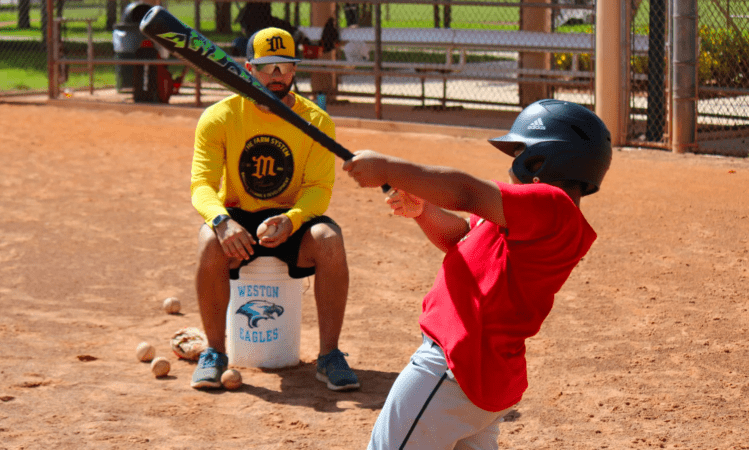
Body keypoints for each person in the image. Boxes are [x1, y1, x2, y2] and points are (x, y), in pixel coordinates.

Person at [343, 99, 612, 449]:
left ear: (540, 160)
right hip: (480, 378)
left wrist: (389, 169)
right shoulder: (527, 214)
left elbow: (466, 192)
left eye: (519, 151)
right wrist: (423, 211)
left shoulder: (553, 206)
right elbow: (462, 240)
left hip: (451, 369)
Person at [190, 27, 359, 392]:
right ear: (248, 69)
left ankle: (329, 356)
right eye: (268, 67)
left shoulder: (316, 121)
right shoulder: (220, 117)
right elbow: (201, 184)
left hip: (289, 219)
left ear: (295, 70)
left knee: (329, 238)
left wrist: (292, 218)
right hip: (238, 218)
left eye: (286, 66)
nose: (278, 75)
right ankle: (215, 353)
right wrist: (221, 222)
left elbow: (318, 189)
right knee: (207, 240)